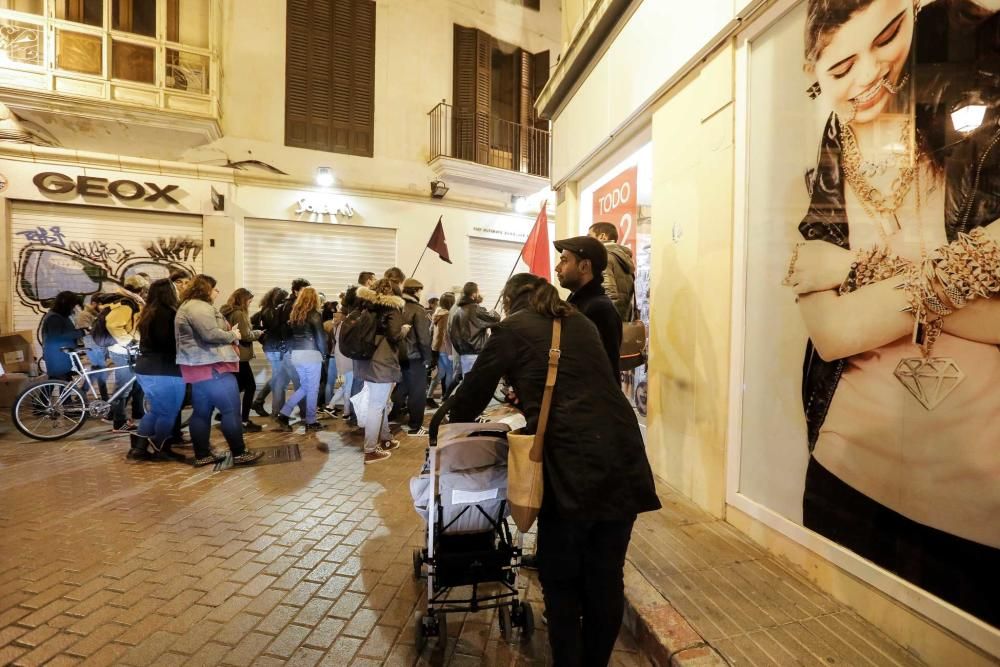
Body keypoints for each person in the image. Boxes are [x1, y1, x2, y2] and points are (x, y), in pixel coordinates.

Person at [785, 0, 1000, 624]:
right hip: (843, 471)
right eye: (842, 65)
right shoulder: (835, 150)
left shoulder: (974, 126)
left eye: (888, 36)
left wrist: (865, 274)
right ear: (815, 74)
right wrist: (959, 279)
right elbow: (832, 333)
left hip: (975, 500)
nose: (870, 73)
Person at [448, 273, 661, 665]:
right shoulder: (579, 320)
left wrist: (446, 425)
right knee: (606, 576)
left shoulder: (512, 327)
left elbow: (474, 392)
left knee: (561, 576)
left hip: (571, 462)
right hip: (623, 453)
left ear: (511, 300)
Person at [175, 274, 262, 467]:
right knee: (231, 410)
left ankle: (202, 455)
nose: (218, 291)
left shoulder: (189, 306)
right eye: (214, 288)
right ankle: (239, 453)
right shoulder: (198, 307)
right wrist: (233, 334)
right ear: (205, 289)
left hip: (201, 367)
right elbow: (210, 334)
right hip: (213, 366)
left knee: (202, 412)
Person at [132, 278, 186, 462]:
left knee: (156, 410)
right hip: (164, 369)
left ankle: (138, 449)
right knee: (169, 412)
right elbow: (167, 342)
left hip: (146, 368)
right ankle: (160, 446)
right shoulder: (168, 313)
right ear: (169, 292)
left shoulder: (149, 312)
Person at [554, 236, 623, 377]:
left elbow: (604, 370)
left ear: (584, 266)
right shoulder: (579, 303)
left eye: (564, 261)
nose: (557, 268)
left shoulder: (599, 309)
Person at [355, 279, 405, 464]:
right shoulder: (391, 308)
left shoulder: (366, 306)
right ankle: (370, 450)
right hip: (382, 362)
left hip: (367, 360)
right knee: (376, 406)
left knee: (381, 402)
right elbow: (394, 335)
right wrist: (404, 330)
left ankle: (386, 439)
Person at [274, 286, 327, 434]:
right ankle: (311, 421)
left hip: (296, 354)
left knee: (305, 387)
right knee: (313, 389)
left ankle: (284, 414)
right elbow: (320, 337)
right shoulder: (314, 314)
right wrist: (324, 355)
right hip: (311, 354)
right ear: (314, 298)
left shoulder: (295, 314)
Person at [220, 288, 263, 433]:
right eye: (249, 299)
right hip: (240, 356)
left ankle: (226, 415)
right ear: (244, 299)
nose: (251, 302)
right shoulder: (239, 313)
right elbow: (245, 335)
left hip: (232, 355)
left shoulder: (227, 311)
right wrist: (258, 333)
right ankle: (243, 420)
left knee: (236, 388)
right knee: (250, 387)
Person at [106, 276, 146, 433]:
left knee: (131, 385)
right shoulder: (126, 304)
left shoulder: (129, 301)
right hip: (122, 351)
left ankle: (120, 415)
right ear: (141, 290)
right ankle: (118, 422)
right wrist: (128, 342)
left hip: (126, 350)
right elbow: (112, 325)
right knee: (123, 388)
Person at [270, 279, 311, 419]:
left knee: (280, 382)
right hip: (295, 349)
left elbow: (275, 327)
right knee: (301, 384)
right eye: (305, 290)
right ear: (296, 291)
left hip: (285, 348)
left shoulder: (282, 305)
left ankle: (277, 412)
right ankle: (306, 415)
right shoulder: (296, 306)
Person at [397, 278, 433, 436]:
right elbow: (424, 338)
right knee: (418, 392)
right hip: (415, 356)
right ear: (416, 291)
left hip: (398, 355)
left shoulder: (397, 306)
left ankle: (394, 416)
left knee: (401, 387)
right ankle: (415, 426)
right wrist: (428, 358)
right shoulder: (418, 310)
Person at [449, 282, 500, 375]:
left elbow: (453, 336)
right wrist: (494, 312)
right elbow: (495, 319)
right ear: (473, 294)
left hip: (464, 355)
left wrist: (461, 352)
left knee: (468, 384)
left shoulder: (458, 311)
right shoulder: (475, 309)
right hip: (477, 354)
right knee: (479, 385)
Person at [588, 222, 636, 321]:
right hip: (623, 316)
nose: (588, 240)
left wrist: (606, 320)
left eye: (590, 236)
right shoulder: (623, 257)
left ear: (602, 236)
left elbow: (608, 292)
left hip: (610, 320)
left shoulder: (604, 256)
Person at [250, 286, 286, 417]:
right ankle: (263, 403)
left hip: (272, 347)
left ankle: (261, 403)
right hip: (274, 347)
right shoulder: (270, 311)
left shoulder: (266, 310)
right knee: (279, 377)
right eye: (284, 299)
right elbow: (275, 329)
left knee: (278, 376)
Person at [40, 291, 84, 380]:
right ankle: (44, 394)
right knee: (61, 381)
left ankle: (45, 394)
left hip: (61, 354)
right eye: (72, 305)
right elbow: (57, 336)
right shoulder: (54, 317)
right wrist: (80, 333)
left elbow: (65, 331)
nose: (73, 308)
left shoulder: (60, 316)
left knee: (58, 381)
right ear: (66, 304)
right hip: (58, 355)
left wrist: (79, 331)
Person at [73, 295, 110, 400]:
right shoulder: (84, 315)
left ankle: (81, 394)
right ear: (94, 303)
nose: (103, 307)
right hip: (92, 346)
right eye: (101, 304)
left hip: (99, 346)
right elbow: (85, 332)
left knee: (96, 370)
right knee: (101, 370)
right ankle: (105, 398)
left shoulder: (97, 314)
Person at [427, 291, 455, 407]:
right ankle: (446, 399)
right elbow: (446, 336)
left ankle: (429, 397)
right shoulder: (447, 315)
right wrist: (450, 352)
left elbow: (430, 331)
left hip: (436, 348)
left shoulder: (437, 313)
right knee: (449, 374)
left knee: (440, 374)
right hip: (445, 350)